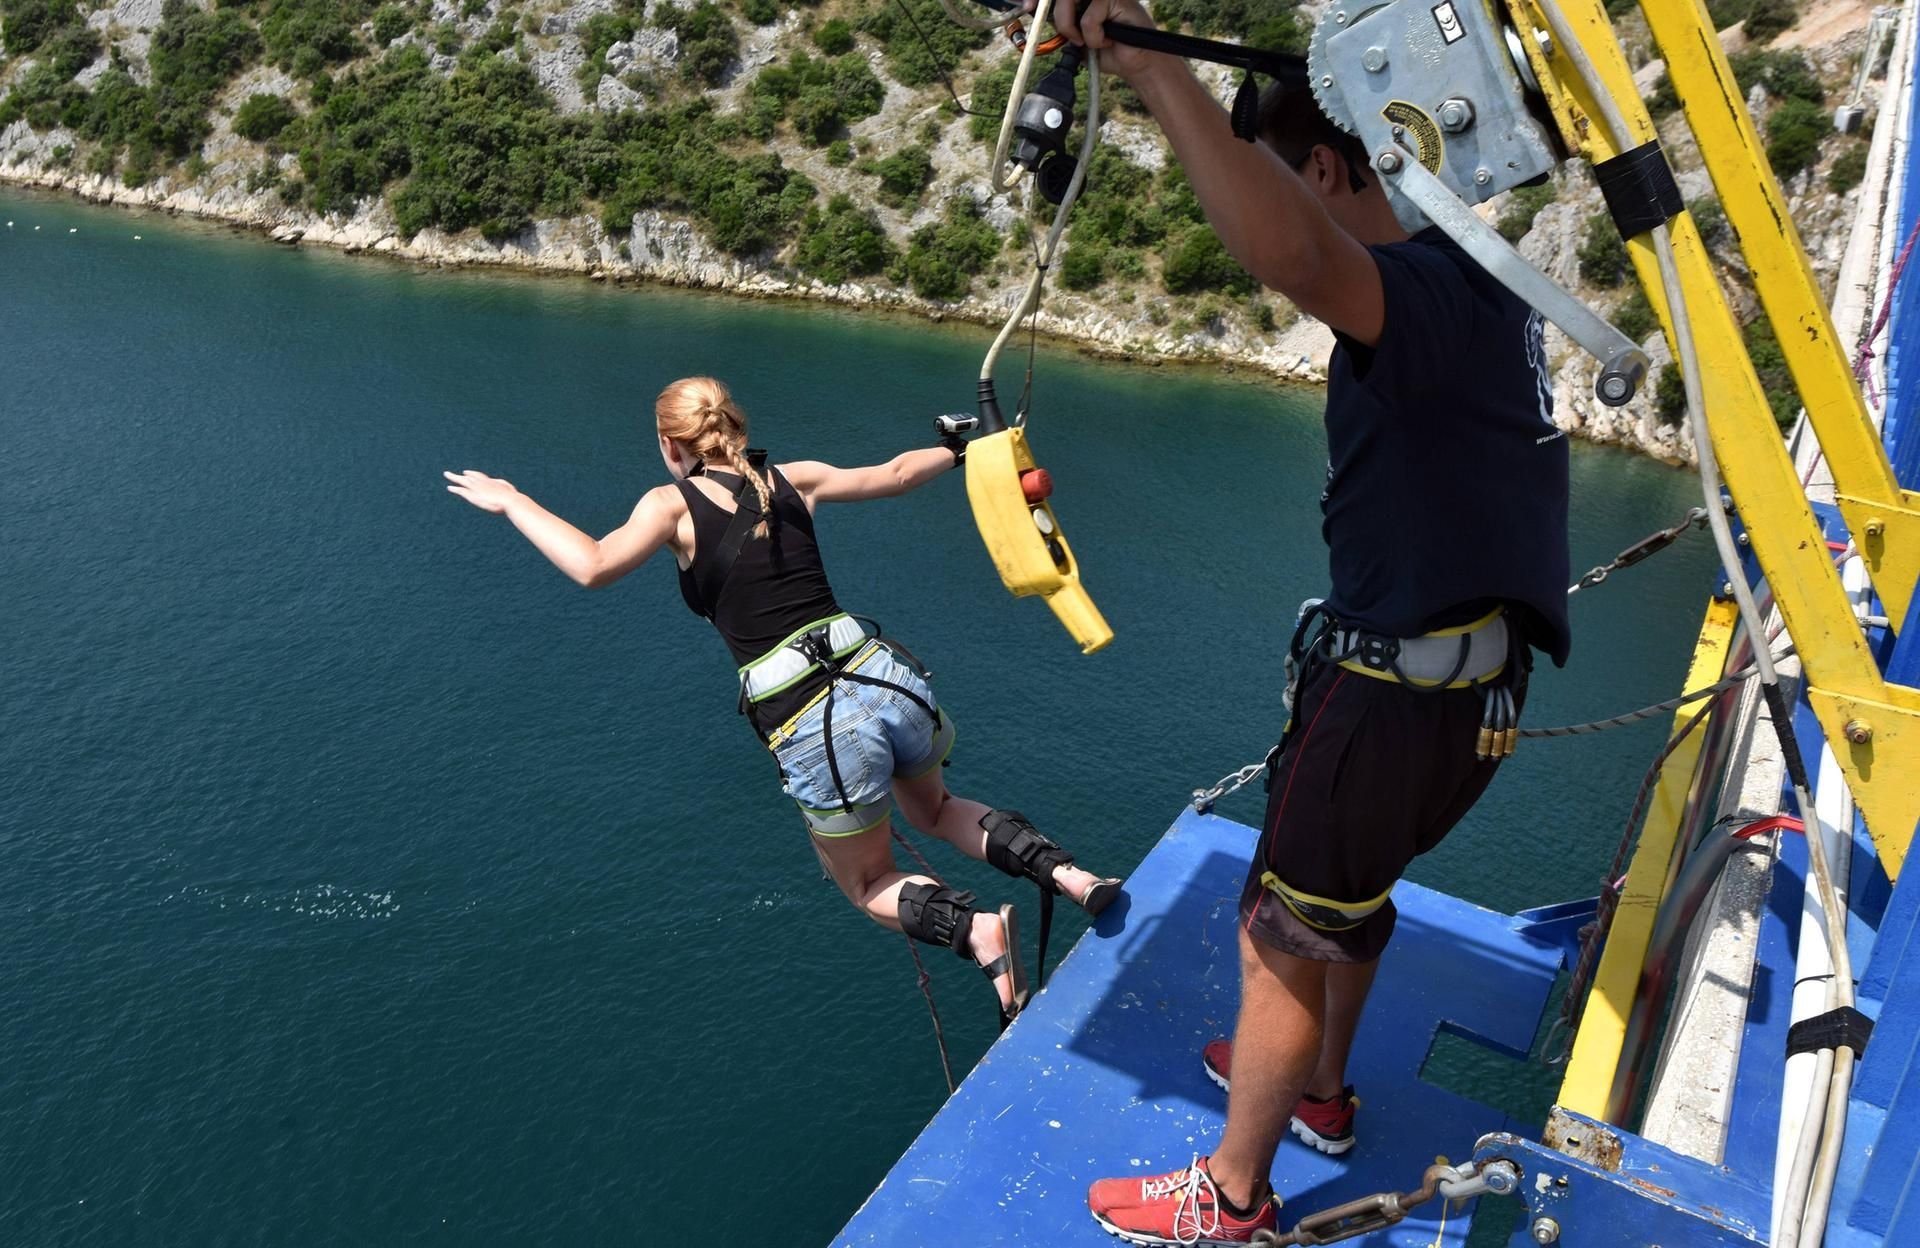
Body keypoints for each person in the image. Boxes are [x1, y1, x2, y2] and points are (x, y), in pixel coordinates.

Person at [1047, 6, 1572, 1242]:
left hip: (1392, 697)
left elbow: (1294, 257)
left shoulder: (1423, 293)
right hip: (1468, 695)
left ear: (1334, 170)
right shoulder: (1487, 282)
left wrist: (1156, 70)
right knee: (1349, 891)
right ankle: (1320, 1096)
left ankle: (1231, 1196)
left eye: (1294, 175)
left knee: (1279, 922)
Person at [443, 376, 1122, 1025]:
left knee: (865, 883)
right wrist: (960, 447)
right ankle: (1071, 875)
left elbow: (593, 565)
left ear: (670, 444)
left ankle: (976, 930)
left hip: (818, 723)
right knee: (937, 808)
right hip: (884, 676)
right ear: (733, 425)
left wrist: (512, 501)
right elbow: (893, 474)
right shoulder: (789, 478)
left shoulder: (669, 504)